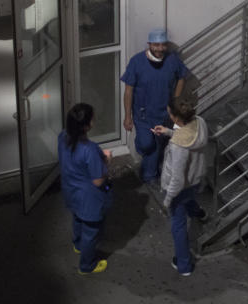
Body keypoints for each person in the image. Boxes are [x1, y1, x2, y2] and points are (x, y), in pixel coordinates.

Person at [121, 29, 190, 184]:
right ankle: (149, 166)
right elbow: (128, 91)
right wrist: (127, 117)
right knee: (147, 144)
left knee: (158, 145)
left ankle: (149, 175)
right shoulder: (137, 62)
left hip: (164, 113)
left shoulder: (172, 60)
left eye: (163, 45)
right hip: (143, 114)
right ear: (149, 44)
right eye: (156, 45)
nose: (160, 49)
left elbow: (182, 77)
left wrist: (176, 100)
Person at [153, 95, 209, 277]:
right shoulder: (200, 122)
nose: (169, 116)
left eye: (170, 113)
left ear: (176, 118)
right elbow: (188, 136)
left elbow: (177, 179)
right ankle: (200, 213)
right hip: (195, 178)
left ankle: (184, 265)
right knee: (189, 198)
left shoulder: (178, 146)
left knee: (178, 224)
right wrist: (169, 132)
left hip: (180, 186)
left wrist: (167, 200)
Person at [57, 103, 113, 275]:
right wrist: (106, 161)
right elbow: (97, 181)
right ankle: (87, 265)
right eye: (93, 118)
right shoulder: (89, 149)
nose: (94, 120)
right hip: (89, 199)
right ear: (86, 125)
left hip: (71, 191)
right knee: (91, 231)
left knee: (78, 219)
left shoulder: (63, 136)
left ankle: (78, 244)